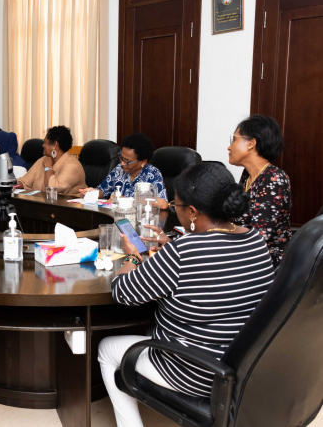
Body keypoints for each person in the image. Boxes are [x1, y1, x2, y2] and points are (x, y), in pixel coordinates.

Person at [98, 162, 275, 427]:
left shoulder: (184, 251)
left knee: (106, 349)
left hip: (193, 370)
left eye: (175, 206)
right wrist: (169, 248)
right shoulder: (256, 240)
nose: (173, 210)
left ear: (192, 212)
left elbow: (123, 293)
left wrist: (134, 258)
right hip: (241, 363)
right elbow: (216, 269)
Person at [228, 115, 291, 268]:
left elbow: (259, 236)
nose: (229, 147)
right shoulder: (247, 175)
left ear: (251, 144)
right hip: (242, 252)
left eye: (234, 140)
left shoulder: (274, 178)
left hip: (265, 260)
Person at [79, 133, 168, 209]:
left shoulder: (152, 173)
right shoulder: (119, 169)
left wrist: (126, 200)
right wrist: (92, 193)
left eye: (127, 161)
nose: (122, 163)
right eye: (121, 158)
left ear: (143, 162)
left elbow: (163, 204)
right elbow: (103, 190)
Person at [16, 126, 86, 196]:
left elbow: (53, 189)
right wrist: (12, 185)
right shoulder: (43, 159)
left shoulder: (72, 166)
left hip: (63, 205)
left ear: (54, 144)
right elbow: (24, 182)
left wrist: (48, 167)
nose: (43, 145)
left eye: (45, 142)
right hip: (39, 203)